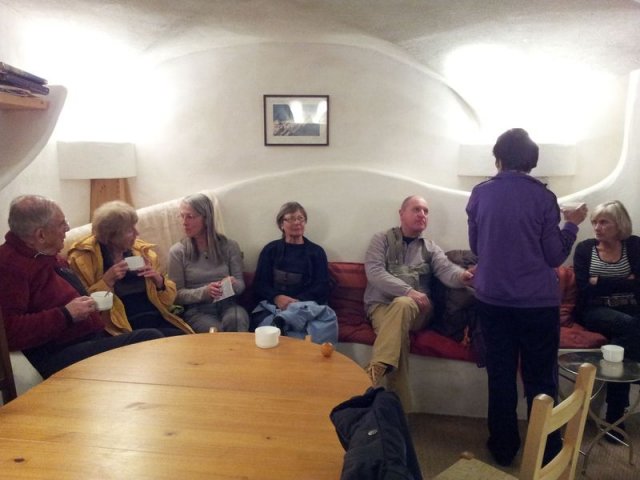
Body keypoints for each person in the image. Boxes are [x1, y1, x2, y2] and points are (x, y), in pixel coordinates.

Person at [466, 128, 588, 466]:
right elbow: (554, 256)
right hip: (536, 304)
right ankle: (546, 450)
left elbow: (477, 247)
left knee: (500, 375)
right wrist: (572, 225)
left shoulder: (480, 193)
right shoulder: (543, 197)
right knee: (541, 378)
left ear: (498, 158)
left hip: (492, 301)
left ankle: (503, 448)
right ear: (531, 162)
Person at [0, 195, 164, 379]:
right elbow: (8, 331)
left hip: (90, 337)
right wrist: (66, 314)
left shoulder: (48, 255)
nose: (67, 229)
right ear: (41, 235)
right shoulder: (10, 267)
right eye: (61, 224)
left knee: (158, 342)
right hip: (58, 352)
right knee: (149, 339)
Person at [364, 195, 473, 410]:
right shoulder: (381, 240)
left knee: (404, 304)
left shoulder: (431, 248)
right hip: (381, 307)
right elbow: (374, 272)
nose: (422, 214)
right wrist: (408, 291)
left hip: (418, 312)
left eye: (425, 211)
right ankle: (400, 412)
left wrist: (464, 276)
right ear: (401, 213)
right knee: (399, 339)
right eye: (416, 209)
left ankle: (376, 367)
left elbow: (448, 271)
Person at [67, 201, 192, 336]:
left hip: (155, 317)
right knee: (155, 336)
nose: (137, 233)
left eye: (134, 227)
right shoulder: (83, 260)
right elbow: (87, 309)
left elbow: (168, 302)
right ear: (111, 236)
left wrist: (159, 281)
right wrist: (106, 282)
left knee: (184, 338)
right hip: (122, 326)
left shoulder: (143, 252)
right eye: (129, 231)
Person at [574, 200, 640, 441]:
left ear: (619, 224)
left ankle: (614, 418)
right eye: (595, 222)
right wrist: (625, 281)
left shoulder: (634, 245)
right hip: (595, 310)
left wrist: (600, 281)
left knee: (621, 346)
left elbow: (639, 285)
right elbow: (585, 289)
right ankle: (615, 417)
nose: (597, 227)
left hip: (631, 309)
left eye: (604, 222)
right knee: (630, 326)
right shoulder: (585, 249)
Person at [250, 201, 338, 344]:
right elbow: (260, 284)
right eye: (290, 219)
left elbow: (322, 286)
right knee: (267, 329)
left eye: (300, 218)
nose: (296, 222)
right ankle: (283, 320)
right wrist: (277, 297)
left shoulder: (316, 252)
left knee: (324, 316)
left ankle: (283, 320)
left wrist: (296, 303)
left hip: (306, 306)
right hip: (274, 306)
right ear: (281, 224)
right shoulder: (270, 250)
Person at [168, 193, 249, 333]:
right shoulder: (177, 252)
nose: (184, 222)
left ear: (206, 218)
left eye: (190, 217)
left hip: (228, 305)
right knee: (215, 331)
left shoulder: (230, 246)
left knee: (237, 319)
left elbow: (241, 285)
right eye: (182, 216)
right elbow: (175, 295)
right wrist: (205, 292)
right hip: (197, 310)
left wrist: (233, 283)